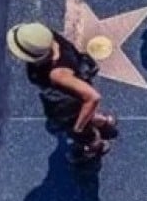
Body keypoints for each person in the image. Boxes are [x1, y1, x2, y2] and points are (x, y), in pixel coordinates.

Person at [6, 22, 117, 163]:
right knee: (82, 115)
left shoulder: (57, 75)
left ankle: (94, 145)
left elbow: (92, 97)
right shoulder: (49, 37)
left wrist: (78, 128)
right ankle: (100, 121)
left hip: (68, 102)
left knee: (77, 128)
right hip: (78, 80)